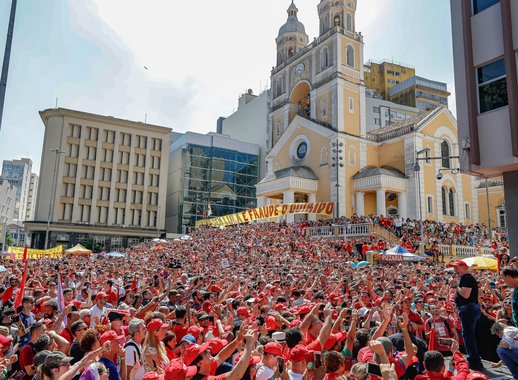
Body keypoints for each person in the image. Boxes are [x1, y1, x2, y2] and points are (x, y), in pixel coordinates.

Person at [448, 260, 482, 371]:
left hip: (469, 309)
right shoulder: (465, 278)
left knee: (468, 335)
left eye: (457, 268)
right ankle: (475, 359)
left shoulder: (467, 278)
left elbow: (466, 295)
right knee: (469, 335)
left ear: (463, 267)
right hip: (469, 308)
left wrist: (456, 285)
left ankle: (473, 361)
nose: (455, 270)